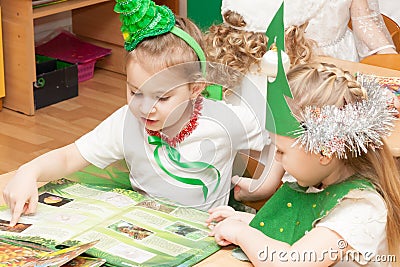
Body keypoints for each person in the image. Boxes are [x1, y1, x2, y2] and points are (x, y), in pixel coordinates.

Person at [2, 0, 268, 226]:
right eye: (135, 92)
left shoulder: (225, 121)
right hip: (144, 228)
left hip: (205, 234)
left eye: (162, 97)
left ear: (195, 88)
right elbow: (70, 156)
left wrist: (264, 186)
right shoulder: (126, 122)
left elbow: (280, 143)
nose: (144, 107)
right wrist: (29, 171)